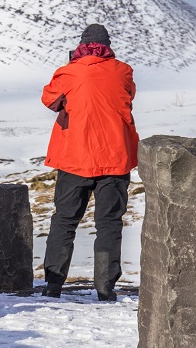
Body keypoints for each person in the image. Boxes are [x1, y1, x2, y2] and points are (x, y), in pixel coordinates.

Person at [39, 24, 139, 301]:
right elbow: (127, 95)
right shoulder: (123, 70)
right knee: (109, 223)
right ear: (108, 45)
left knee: (65, 221)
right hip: (115, 160)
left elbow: (49, 99)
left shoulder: (69, 71)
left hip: (75, 159)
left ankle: (53, 285)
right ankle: (106, 289)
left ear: (81, 44)